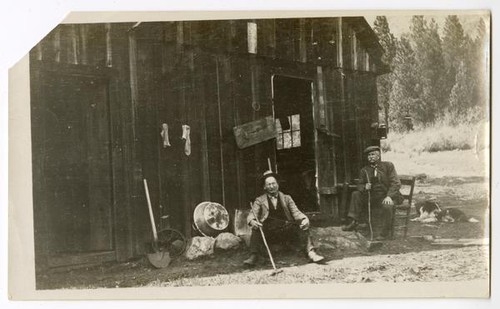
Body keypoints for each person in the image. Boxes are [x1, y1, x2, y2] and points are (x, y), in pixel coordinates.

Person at [243, 171, 325, 266]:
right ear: (264, 187)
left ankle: (311, 253)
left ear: (278, 184)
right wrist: (252, 221)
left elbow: (296, 212)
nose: (272, 186)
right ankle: (254, 256)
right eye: (268, 184)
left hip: (286, 230)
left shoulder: (287, 198)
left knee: (302, 227)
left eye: (274, 183)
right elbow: (252, 215)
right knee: (256, 229)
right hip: (269, 232)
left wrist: (304, 219)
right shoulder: (259, 200)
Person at [342, 146, 404, 240]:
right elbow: (359, 184)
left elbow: (396, 183)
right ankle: (354, 221)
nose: (370, 157)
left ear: (378, 156)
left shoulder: (388, 166)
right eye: (369, 155)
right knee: (356, 194)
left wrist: (389, 196)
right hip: (373, 197)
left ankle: (384, 233)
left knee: (387, 205)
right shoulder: (365, 170)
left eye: (373, 154)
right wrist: (364, 187)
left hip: (388, 196)